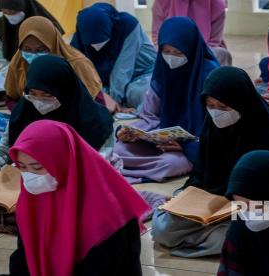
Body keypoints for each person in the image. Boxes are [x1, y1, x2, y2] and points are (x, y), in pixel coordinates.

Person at [151, 67, 269, 258]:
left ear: (242, 102)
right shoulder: (212, 126)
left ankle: (221, 240)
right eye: (210, 106)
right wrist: (185, 195)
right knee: (162, 228)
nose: (217, 113)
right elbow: (201, 173)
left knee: (257, 229)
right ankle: (223, 240)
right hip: (214, 206)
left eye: (224, 107)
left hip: (256, 207)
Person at [7, 120, 150, 275]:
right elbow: (25, 254)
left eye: (37, 167)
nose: (29, 175)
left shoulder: (108, 213)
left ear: (63, 161)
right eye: (21, 167)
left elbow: (106, 268)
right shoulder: (32, 199)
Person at [114, 17, 219, 184]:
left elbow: (218, 124)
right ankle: (133, 169)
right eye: (166, 52)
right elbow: (149, 116)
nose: (171, 58)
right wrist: (131, 132)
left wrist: (187, 145)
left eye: (178, 52)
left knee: (170, 163)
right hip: (162, 140)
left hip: (193, 145)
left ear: (191, 48)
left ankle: (132, 172)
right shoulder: (162, 71)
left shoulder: (210, 75)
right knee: (119, 149)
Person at [4, 55, 114, 166]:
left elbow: (100, 164)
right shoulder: (23, 112)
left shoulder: (96, 121)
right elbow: (5, 148)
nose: (39, 101)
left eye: (47, 94)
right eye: (33, 94)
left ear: (65, 91)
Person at [71, 3, 157, 113]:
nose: (96, 46)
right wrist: (103, 97)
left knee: (143, 93)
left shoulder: (128, 26)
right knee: (87, 95)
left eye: (102, 40)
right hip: (106, 81)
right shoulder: (79, 36)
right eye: (91, 43)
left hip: (141, 74)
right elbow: (81, 70)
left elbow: (123, 69)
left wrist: (113, 101)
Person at [4, 16, 103, 111]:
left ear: (53, 44)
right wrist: (25, 112)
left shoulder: (77, 64)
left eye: (40, 50)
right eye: (27, 49)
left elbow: (96, 101)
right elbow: (11, 98)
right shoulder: (18, 63)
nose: (33, 55)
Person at [151, 0, 232, 66]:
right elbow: (157, 38)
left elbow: (213, 42)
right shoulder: (162, 2)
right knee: (153, 56)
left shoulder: (216, 4)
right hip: (171, 51)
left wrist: (191, 57)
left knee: (221, 54)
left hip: (204, 52)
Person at [0, 0, 64, 61]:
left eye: (13, 11)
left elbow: (59, 50)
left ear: (25, 7)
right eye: (5, 12)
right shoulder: (1, 25)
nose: (10, 16)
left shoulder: (45, 25)